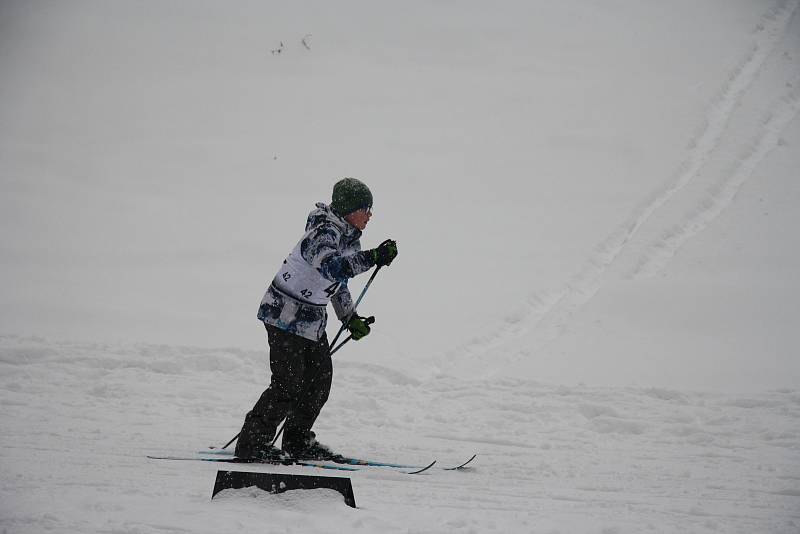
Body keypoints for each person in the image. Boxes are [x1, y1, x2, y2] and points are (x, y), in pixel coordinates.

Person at [235, 177, 398, 461]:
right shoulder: (323, 232)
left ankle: (297, 442)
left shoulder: (348, 238)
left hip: (311, 319)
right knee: (287, 384)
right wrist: (373, 257)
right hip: (284, 315)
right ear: (349, 209)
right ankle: (252, 444)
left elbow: (339, 283)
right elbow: (333, 269)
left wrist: (350, 318)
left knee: (318, 383)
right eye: (365, 208)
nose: (370, 215)